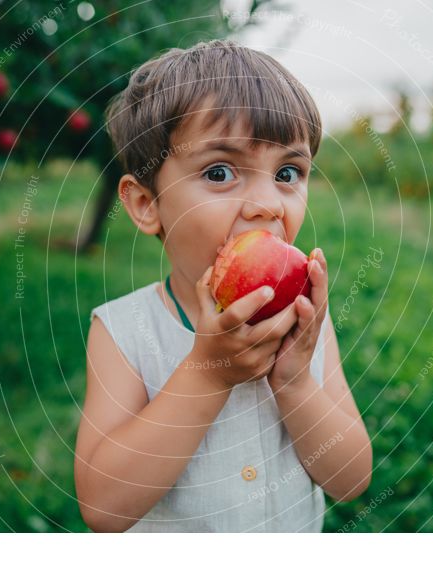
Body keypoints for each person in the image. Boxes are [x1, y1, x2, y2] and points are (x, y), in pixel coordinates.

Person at [74, 39, 372, 532]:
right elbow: (104, 507)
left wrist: (295, 382)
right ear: (147, 203)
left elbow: (350, 479)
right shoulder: (124, 332)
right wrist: (207, 374)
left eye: (287, 173)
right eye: (219, 172)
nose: (266, 204)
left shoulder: (303, 325)